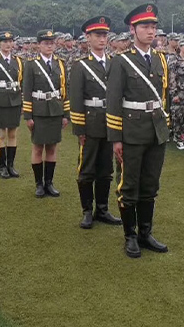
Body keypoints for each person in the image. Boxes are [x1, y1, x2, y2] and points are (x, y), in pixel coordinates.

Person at [106, 4, 170, 259]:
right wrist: (116, 138)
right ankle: (130, 235)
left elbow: (164, 95)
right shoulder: (121, 62)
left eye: (153, 26)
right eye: (145, 26)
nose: (151, 31)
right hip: (131, 131)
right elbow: (113, 101)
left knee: (150, 183)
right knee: (129, 183)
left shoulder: (160, 59)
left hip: (156, 130)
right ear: (132, 29)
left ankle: (145, 232)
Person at [68, 16, 122, 229]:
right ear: (87, 38)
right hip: (90, 124)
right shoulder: (81, 66)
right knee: (87, 169)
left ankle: (102, 209)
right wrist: (80, 128)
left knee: (106, 169)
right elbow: (76, 99)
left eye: (104, 35)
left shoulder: (115, 63)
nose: (102, 38)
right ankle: (87, 211)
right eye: (97, 35)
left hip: (110, 123)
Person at [22, 29, 70, 198]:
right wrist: (28, 116)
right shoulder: (31, 64)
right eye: (45, 43)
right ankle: (39, 184)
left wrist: (66, 114)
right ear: (39, 45)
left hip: (56, 110)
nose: (49, 46)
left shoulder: (60, 64)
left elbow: (65, 90)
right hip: (39, 111)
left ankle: (49, 183)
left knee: (52, 147)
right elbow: (26, 90)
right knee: (37, 148)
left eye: (51, 43)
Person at [0, 31, 23, 179]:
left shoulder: (17, 61)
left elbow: (21, 80)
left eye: (10, 41)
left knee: (12, 134)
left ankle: (11, 165)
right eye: (4, 41)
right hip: (0, 100)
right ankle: (1, 166)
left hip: (15, 99)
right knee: (1, 135)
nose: (7, 44)